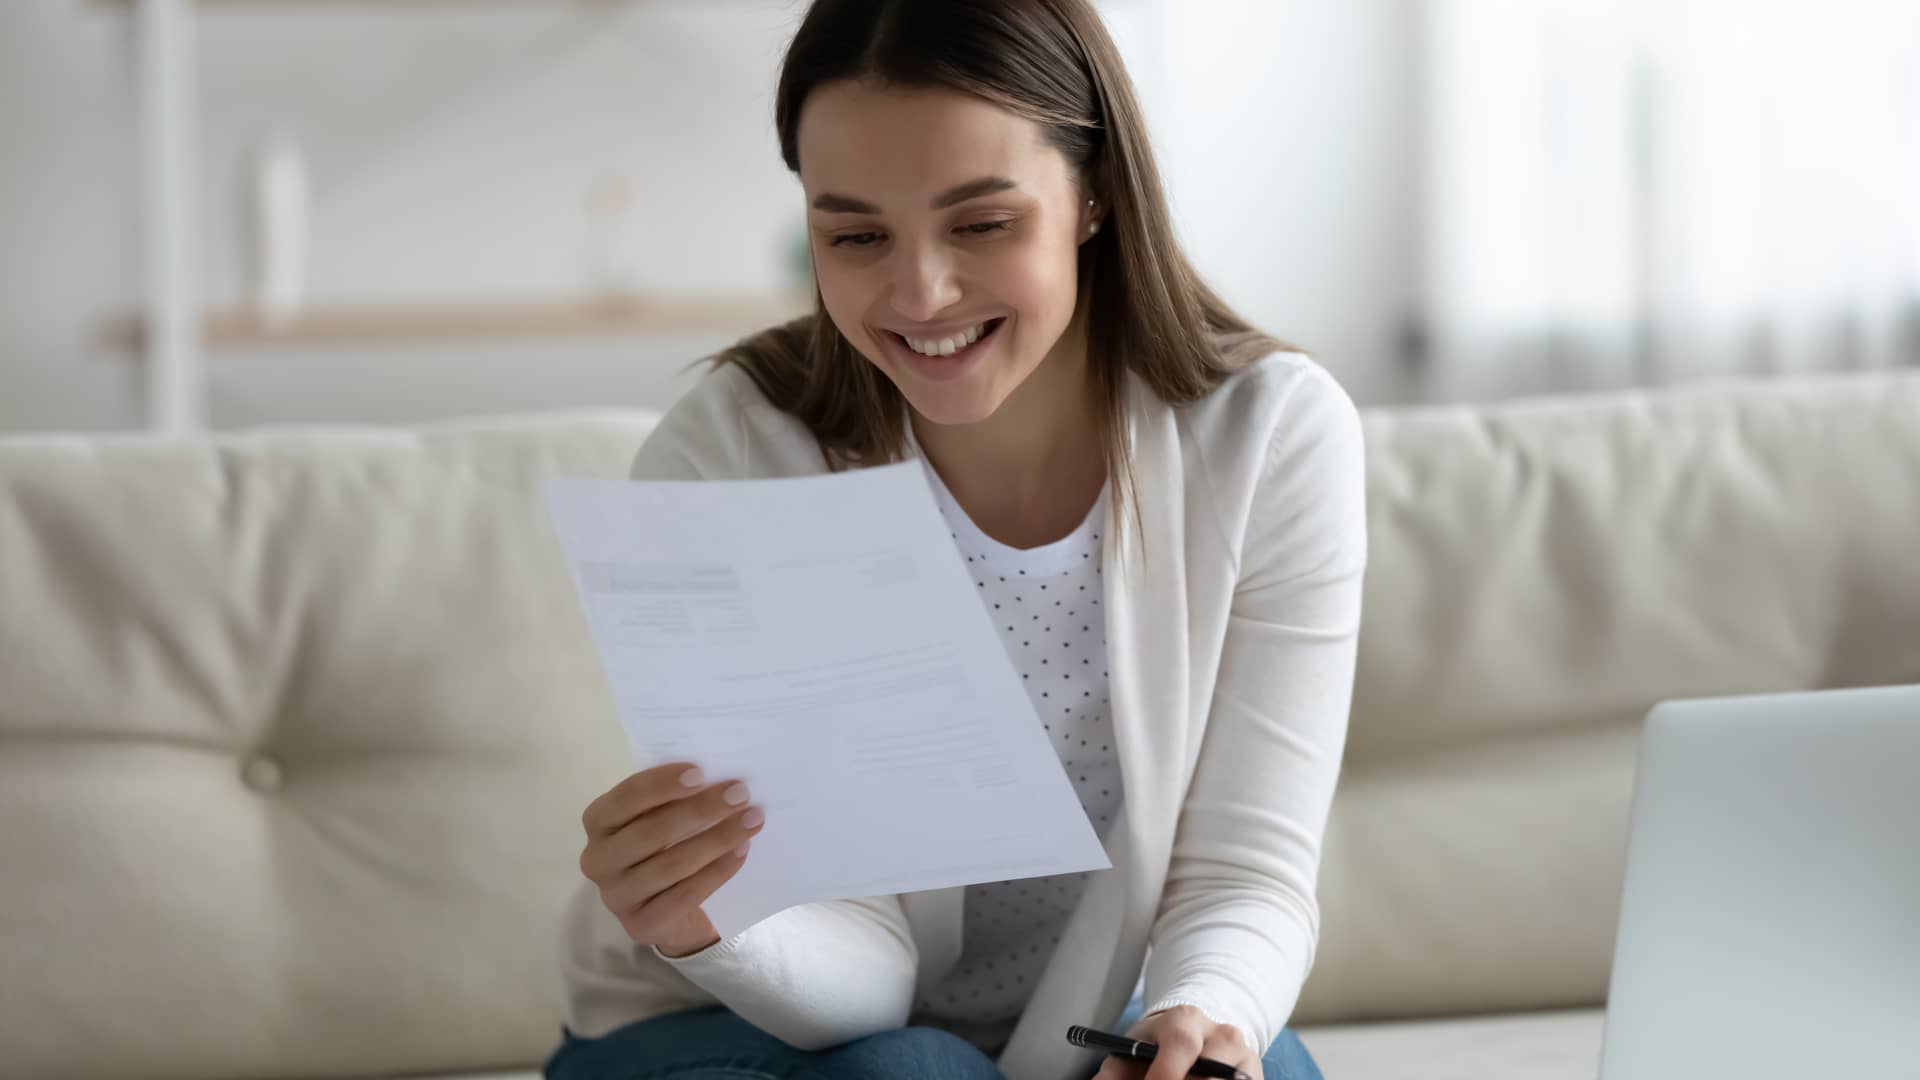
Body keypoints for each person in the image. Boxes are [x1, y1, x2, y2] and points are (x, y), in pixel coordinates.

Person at [546, 1, 1365, 1078]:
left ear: (1093, 194)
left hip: (1068, 1024)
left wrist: (1204, 1020)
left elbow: (1244, 874)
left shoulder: (1270, 437)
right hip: (736, 1017)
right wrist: (710, 915)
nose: (920, 293)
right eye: (855, 236)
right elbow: (865, 976)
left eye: (981, 224)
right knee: (912, 1071)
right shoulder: (735, 450)